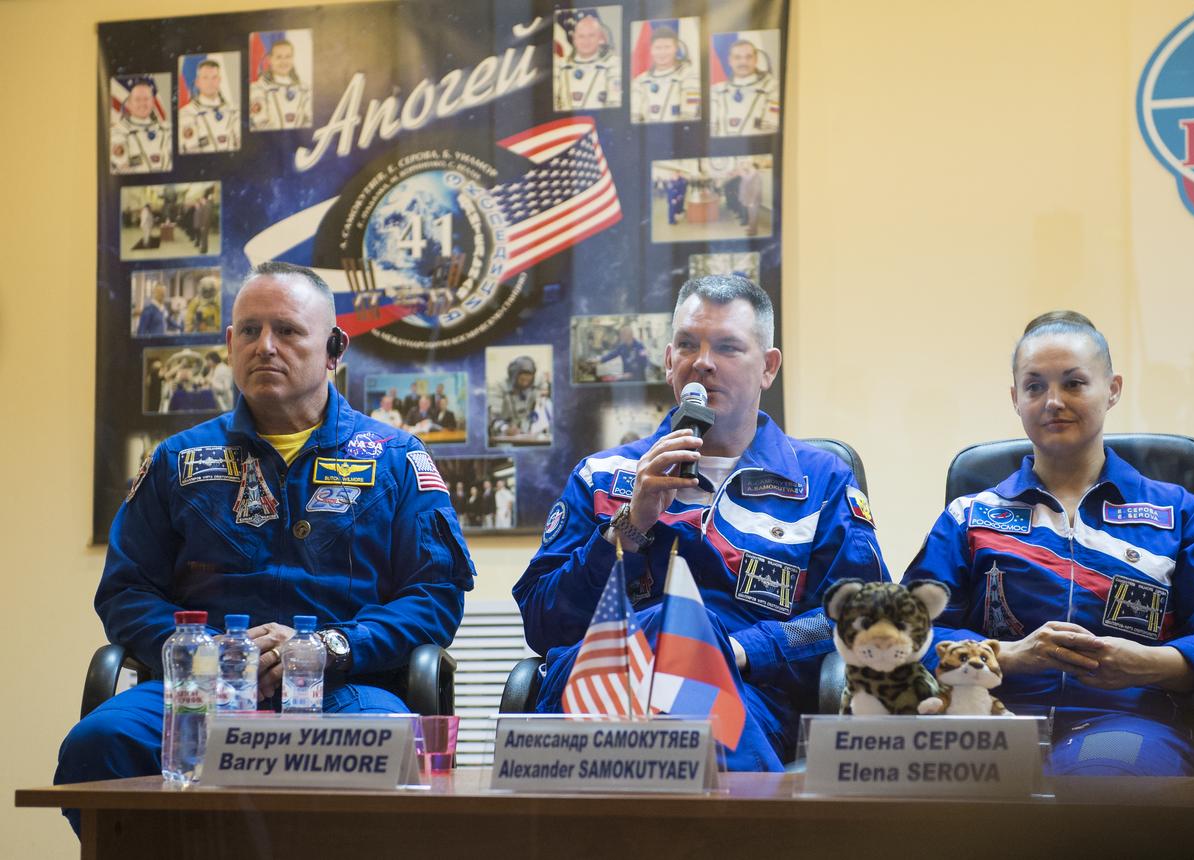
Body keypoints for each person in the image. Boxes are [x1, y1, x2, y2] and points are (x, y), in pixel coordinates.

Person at [55, 261, 476, 835]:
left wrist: (330, 647)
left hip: (344, 687)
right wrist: (206, 656)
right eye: (249, 331)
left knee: (394, 748)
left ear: (333, 348)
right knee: (99, 743)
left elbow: (433, 597)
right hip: (203, 691)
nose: (265, 346)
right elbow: (127, 591)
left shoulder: (396, 460)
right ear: (229, 344)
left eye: (287, 330)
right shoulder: (178, 460)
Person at [513, 275, 888, 771]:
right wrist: (632, 522)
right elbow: (544, 623)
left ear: (768, 368)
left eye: (729, 347)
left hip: (750, 696)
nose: (704, 362)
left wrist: (737, 649)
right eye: (688, 345)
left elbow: (861, 616)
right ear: (669, 361)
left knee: (686, 641)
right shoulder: (603, 476)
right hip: (599, 689)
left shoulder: (821, 481)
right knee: (671, 628)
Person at [902, 311, 1194, 776]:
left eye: (1074, 383)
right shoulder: (969, 517)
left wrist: (1150, 664)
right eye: (1035, 387)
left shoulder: (1177, 512)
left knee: (1099, 782)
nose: (1053, 401)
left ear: (1112, 389)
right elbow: (907, 637)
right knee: (911, 799)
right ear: (1015, 399)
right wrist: (1007, 657)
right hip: (988, 721)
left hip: (1127, 722)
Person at [710, 40, 780, 137]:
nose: (743, 62)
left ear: (756, 59)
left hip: (757, 150)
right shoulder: (716, 90)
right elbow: (710, 130)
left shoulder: (772, 88)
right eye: (737, 57)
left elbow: (771, 130)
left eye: (749, 57)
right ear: (730, 61)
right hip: (722, 150)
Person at [631, 26, 700, 123]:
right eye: (658, 48)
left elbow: (689, 116)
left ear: (676, 48)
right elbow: (634, 117)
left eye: (667, 47)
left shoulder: (689, 76)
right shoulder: (640, 81)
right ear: (651, 50)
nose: (662, 53)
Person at [554, 12, 622, 111]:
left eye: (591, 35)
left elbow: (615, 104)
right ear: (574, 39)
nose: (586, 41)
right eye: (581, 36)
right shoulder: (560, 65)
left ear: (599, 38)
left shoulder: (613, 64)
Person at [109, 77, 172, 174]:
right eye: (137, 99)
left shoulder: (168, 130)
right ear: (129, 103)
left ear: (152, 103)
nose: (142, 103)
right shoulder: (116, 134)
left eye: (146, 99)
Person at [177, 59, 240, 154]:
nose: (210, 82)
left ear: (219, 80)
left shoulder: (234, 110)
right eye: (205, 78)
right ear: (197, 82)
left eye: (214, 77)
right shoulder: (186, 114)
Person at [249, 38, 311, 130]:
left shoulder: (304, 89)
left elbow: (309, 120)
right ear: (270, 60)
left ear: (293, 58)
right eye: (279, 57)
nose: (284, 61)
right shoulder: (258, 88)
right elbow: (260, 123)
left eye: (288, 56)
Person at [489, 355, 541, 440]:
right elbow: (492, 418)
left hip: (525, 435)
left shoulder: (532, 388)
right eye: (522, 380)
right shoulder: (498, 387)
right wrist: (505, 428)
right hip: (502, 436)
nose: (525, 384)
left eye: (528, 381)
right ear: (513, 376)